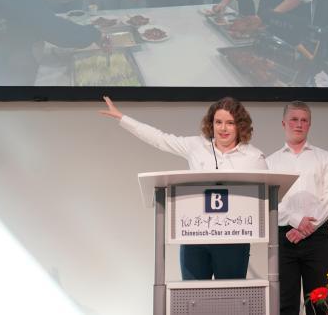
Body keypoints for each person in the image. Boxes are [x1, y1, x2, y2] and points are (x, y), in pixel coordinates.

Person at [99, 96, 268, 280]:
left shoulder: (254, 157)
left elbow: (266, 198)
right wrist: (122, 117)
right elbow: (160, 139)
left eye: (230, 123)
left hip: (233, 240)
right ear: (211, 123)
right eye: (218, 122)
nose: (223, 128)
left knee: (230, 295)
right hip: (194, 237)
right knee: (192, 295)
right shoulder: (196, 146)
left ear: (240, 125)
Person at [266, 101, 328, 315]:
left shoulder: (324, 158)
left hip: (317, 239)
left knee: (319, 305)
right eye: (294, 119)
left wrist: (305, 229)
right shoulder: (270, 162)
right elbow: (269, 200)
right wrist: (296, 221)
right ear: (283, 123)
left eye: (304, 120)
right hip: (283, 238)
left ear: (309, 124)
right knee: (285, 305)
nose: (299, 124)